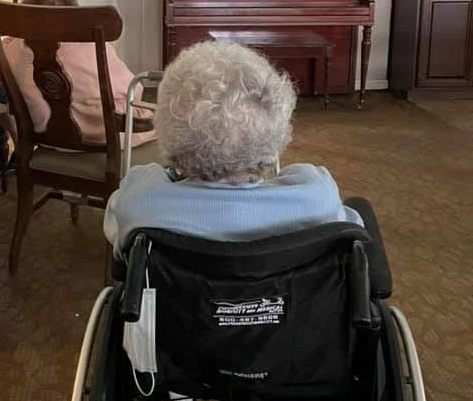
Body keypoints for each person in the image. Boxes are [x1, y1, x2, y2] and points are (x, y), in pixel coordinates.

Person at [103, 39, 362, 255]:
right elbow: (351, 233)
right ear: (277, 127)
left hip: (178, 312)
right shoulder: (317, 197)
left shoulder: (140, 201)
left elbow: (115, 233)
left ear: (167, 129)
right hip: (293, 311)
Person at [0, 0, 155, 166]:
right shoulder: (92, 47)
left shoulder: (12, 49)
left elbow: (9, 45)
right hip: (101, 138)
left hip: (47, 135)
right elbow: (132, 90)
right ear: (71, 12)